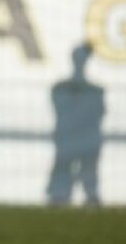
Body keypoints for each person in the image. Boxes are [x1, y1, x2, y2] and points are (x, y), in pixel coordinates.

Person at [46, 43, 104, 206]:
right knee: (64, 169)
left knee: (88, 172)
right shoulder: (61, 88)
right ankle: (60, 195)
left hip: (84, 136)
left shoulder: (94, 91)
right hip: (70, 136)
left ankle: (90, 195)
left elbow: (98, 113)